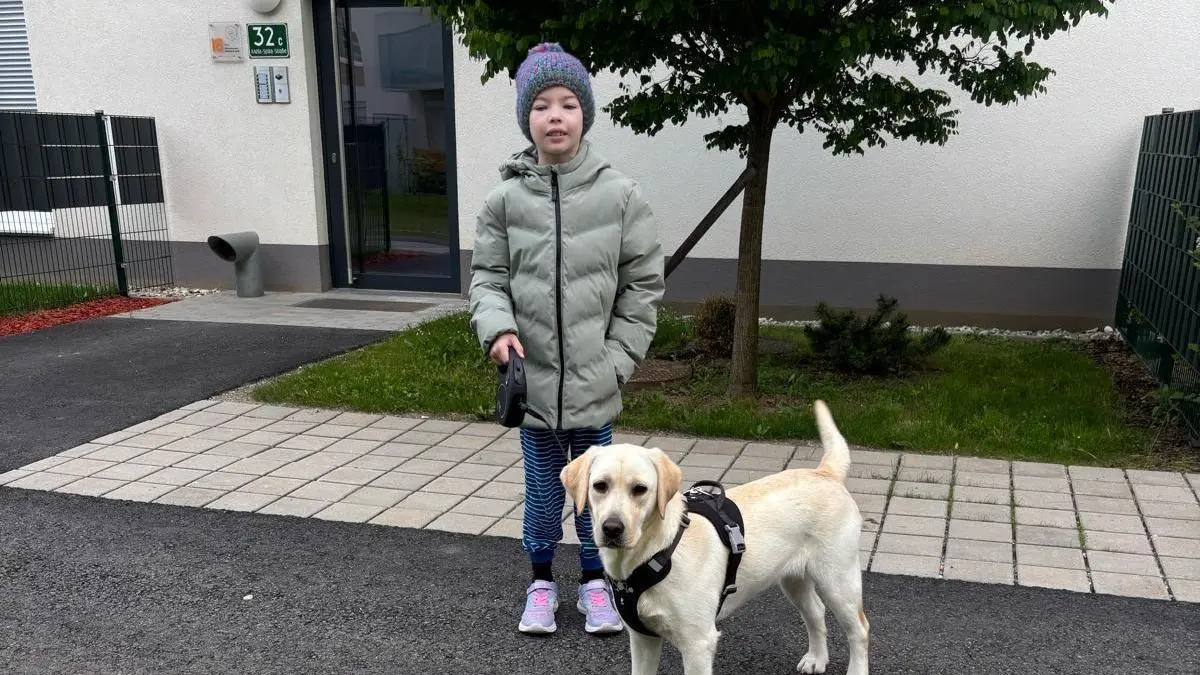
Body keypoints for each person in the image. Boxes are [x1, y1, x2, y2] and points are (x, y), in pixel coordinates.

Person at [468, 42, 665, 636]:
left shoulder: (620, 195)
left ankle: (596, 586)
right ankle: (540, 584)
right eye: (542, 106)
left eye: (568, 104)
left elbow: (642, 286)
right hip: (533, 388)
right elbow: (488, 278)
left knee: (599, 496)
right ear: (526, 118)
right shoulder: (503, 201)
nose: (555, 116)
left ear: (585, 115)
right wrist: (498, 329)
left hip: (594, 388)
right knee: (541, 495)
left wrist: (617, 360)